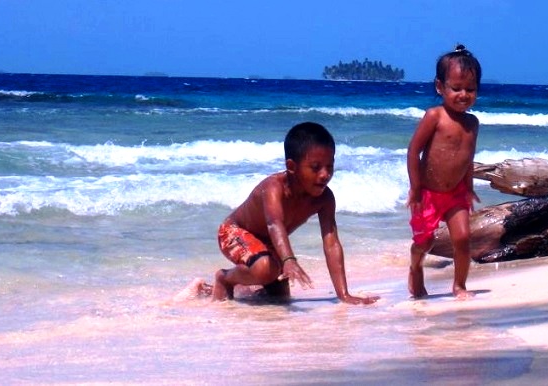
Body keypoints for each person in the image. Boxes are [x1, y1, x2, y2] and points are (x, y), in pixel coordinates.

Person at [200, 122, 378, 305]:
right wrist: (289, 259)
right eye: (316, 167)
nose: (325, 175)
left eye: (330, 166)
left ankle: (237, 288)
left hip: (270, 242)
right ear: (292, 166)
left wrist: (344, 295)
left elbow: (331, 243)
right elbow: (274, 224)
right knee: (265, 269)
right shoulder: (274, 188)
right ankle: (225, 278)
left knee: (279, 297)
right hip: (234, 232)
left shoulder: (324, 198)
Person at [406, 44, 482, 299]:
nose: (463, 94)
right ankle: (415, 266)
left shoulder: (473, 123)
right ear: (440, 87)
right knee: (424, 243)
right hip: (428, 193)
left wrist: (469, 187)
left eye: (470, 89)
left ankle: (459, 286)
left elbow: (467, 158)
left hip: (456, 193)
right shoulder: (434, 116)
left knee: (462, 238)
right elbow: (413, 151)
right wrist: (416, 189)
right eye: (456, 88)